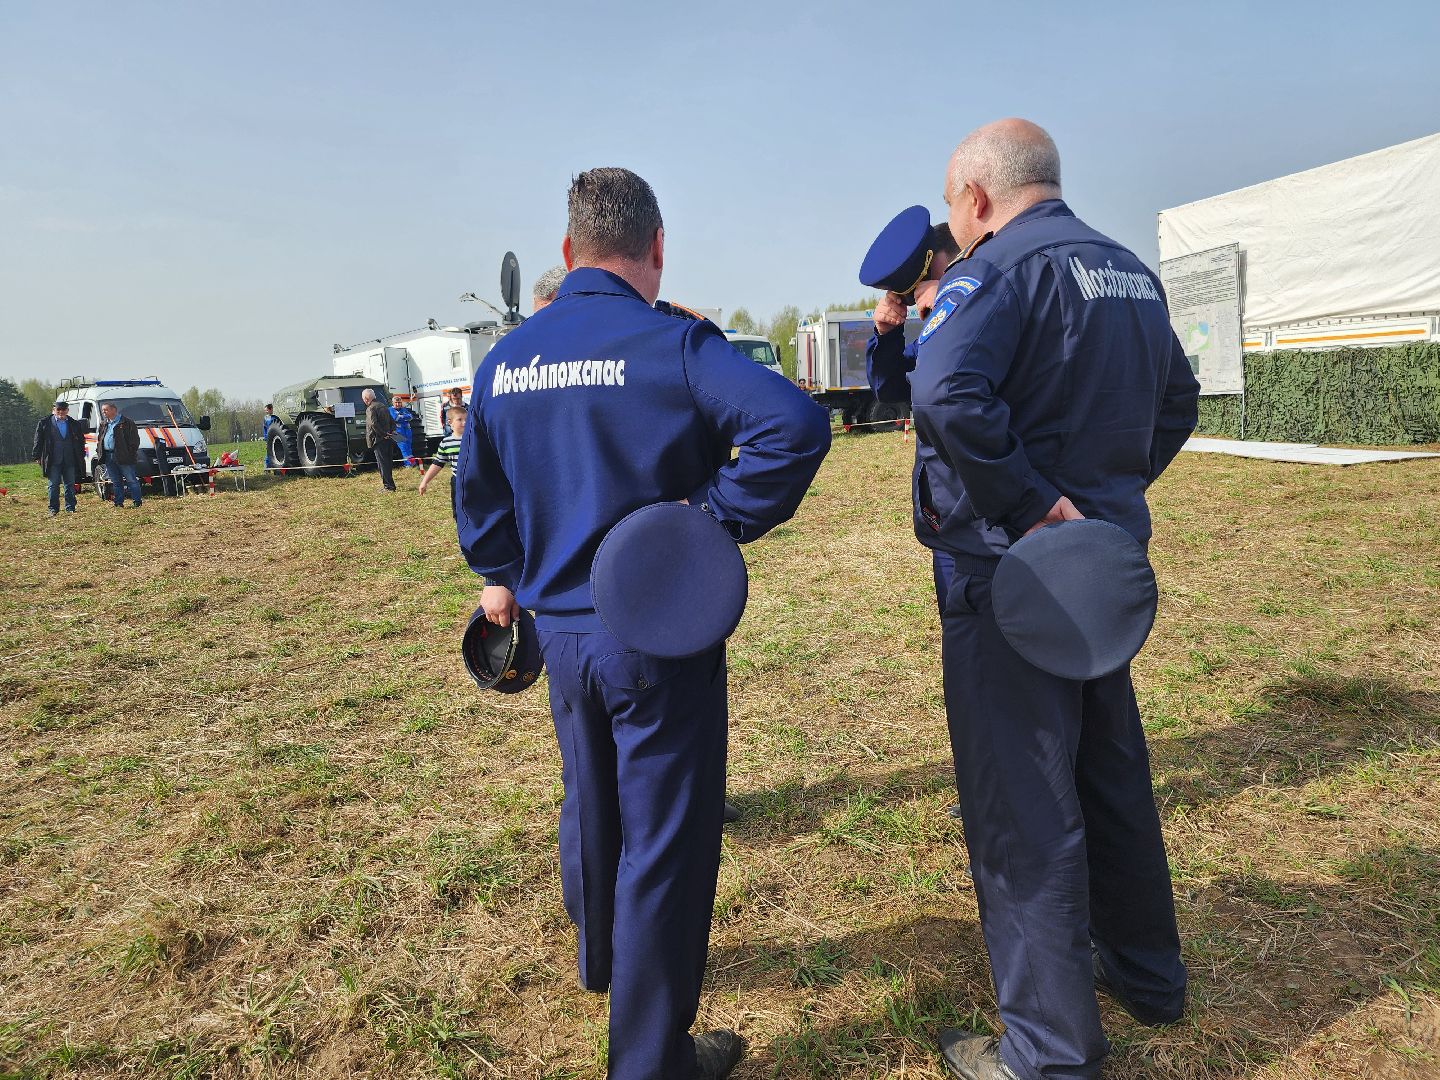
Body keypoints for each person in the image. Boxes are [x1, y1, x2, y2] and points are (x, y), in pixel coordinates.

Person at [456, 167, 831, 1080]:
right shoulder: (674, 345)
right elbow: (794, 427)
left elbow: (479, 504)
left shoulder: (507, 361)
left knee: (591, 804)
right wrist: (706, 523)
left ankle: (602, 967)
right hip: (658, 635)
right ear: (657, 249)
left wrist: (511, 576)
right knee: (664, 846)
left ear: (565, 252)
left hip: (563, 640)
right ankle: (652, 1061)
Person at [902, 120, 1199, 1080]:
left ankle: (1047, 1049)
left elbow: (946, 394)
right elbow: (1178, 403)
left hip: (1013, 581)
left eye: (955, 208)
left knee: (1022, 805)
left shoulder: (997, 274)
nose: (958, 227)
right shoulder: (1131, 274)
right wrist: (1103, 500)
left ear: (978, 195)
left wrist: (1034, 508)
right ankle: (1149, 975)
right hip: (1100, 577)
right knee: (1111, 775)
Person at [32, 400, 86, 516]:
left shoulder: (74, 424)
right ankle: (53, 509)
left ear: (67, 410)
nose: (61, 412)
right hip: (52, 460)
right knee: (53, 485)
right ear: (54, 410)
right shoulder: (44, 423)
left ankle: (70, 507)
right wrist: (36, 455)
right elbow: (38, 440)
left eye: (63, 410)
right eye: (58, 410)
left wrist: (81, 455)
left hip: (70, 459)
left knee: (70, 485)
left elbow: (81, 441)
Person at [417, 401, 464, 509]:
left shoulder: (475, 439)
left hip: (477, 481)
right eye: (460, 420)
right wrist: (424, 481)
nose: (464, 422)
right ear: (450, 422)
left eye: (467, 419)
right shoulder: (446, 443)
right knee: (459, 511)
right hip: (458, 481)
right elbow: (437, 463)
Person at [95, 402, 142, 509]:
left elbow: (134, 441)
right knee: (116, 481)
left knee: (131, 480)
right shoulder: (104, 424)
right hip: (108, 456)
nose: (103, 412)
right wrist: (99, 451)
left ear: (114, 410)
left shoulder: (127, 422)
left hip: (124, 457)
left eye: (106, 410)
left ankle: (137, 502)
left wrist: (129, 454)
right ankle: (118, 502)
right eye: (103, 410)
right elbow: (100, 439)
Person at [361, 388, 396, 491]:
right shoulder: (383, 405)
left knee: (382, 464)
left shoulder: (370, 408)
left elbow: (373, 424)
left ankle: (388, 487)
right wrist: (391, 432)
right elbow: (392, 421)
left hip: (379, 440)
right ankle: (390, 485)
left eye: (363, 398)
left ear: (366, 399)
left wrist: (383, 434)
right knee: (388, 463)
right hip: (388, 439)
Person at [391, 395, 419, 467]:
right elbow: (396, 418)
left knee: (408, 448)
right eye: (396, 402)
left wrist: (401, 416)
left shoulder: (403, 409)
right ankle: (408, 464)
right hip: (397, 432)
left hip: (407, 430)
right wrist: (404, 416)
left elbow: (410, 417)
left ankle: (412, 463)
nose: (398, 404)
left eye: (399, 402)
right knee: (403, 448)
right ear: (393, 403)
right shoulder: (390, 410)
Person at [262, 403, 277, 468]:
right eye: (265, 410)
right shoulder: (265, 418)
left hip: (276, 437)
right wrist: (266, 438)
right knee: (269, 452)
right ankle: (267, 467)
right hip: (269, 437)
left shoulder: (275, 417)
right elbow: (265, 429)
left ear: (271, 409)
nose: (266, 412)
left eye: (267, 410)